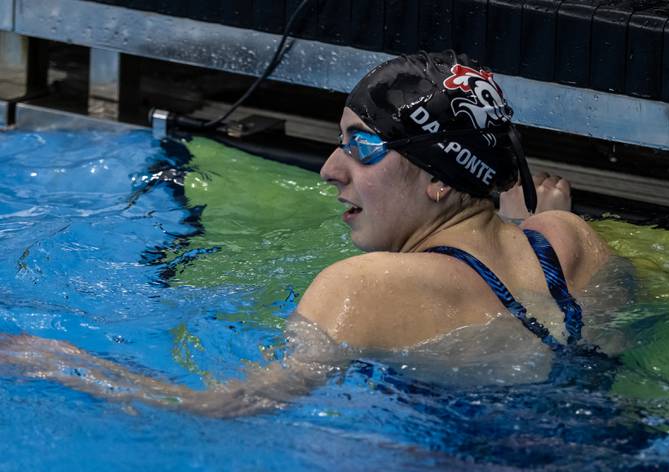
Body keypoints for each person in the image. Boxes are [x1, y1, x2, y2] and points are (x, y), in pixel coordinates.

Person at [0, 52, 614, 417]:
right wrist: (513, 221)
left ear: (438, 177)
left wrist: (55, 362)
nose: (330, 168)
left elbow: (224, 409)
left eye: (363, 147)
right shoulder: (567, 239)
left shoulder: (361, 288)